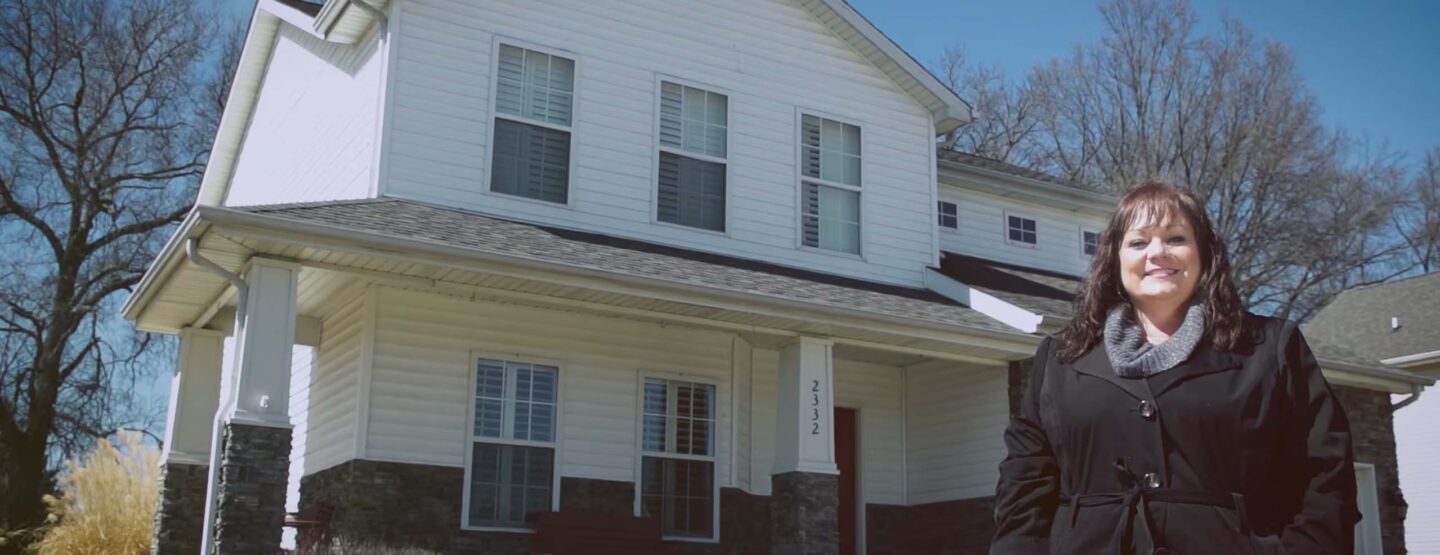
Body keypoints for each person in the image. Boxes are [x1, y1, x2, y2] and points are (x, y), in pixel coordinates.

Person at [990, 182, 1361, 554]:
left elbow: (1325, 478)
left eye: (1176, 238)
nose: (1157, 253)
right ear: (1114, 260)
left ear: (1204, 254)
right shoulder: (1061, 359)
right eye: (1138, 242)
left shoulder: (1270, 348)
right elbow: (1024, 485)